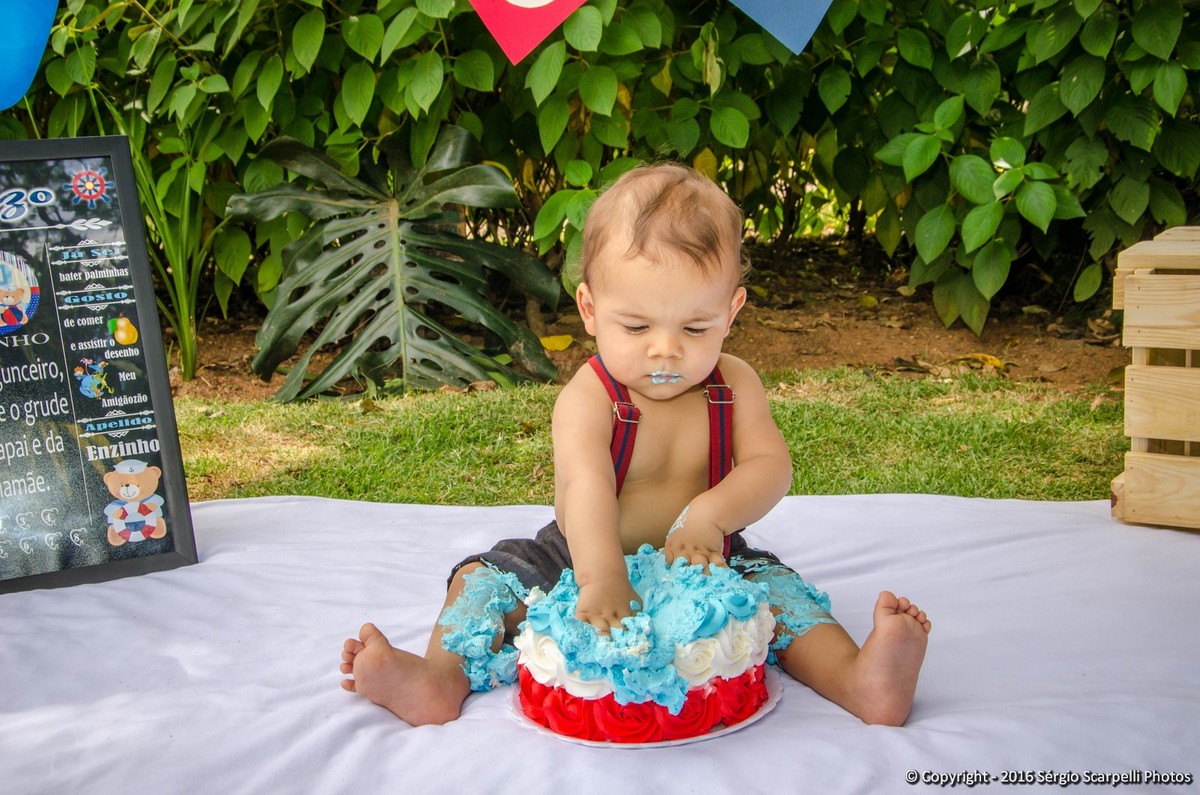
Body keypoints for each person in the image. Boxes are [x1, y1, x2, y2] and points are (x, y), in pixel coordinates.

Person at [340, 163, 931, 727]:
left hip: (705, 557)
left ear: (731, 312)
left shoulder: (734, 385)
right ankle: (439, 678)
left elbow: (770, 465)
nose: (665, 349)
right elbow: (587, 485)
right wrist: (599, 576)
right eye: (637, 326)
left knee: (777, 594)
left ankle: (860, 679)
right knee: (483, 578)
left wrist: (709, 517)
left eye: (695, 328)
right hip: (579, 555)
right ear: (590, 309)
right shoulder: (590, 396)